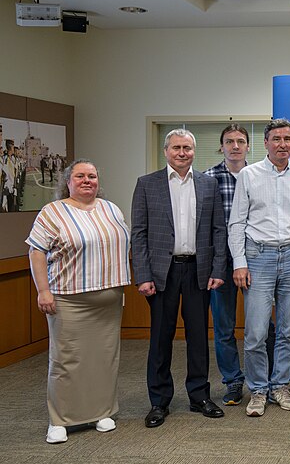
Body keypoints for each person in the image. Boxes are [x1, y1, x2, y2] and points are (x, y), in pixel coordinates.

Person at [27, 160, 130, 444]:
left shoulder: (111, 209)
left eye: (92, 176)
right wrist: (43, 291)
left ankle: (102, 412)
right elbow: (36, 252)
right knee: (66, 360)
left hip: (108, 298)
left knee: (104, 358)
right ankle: (59, 420)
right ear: (68, 182)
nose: (87, 181)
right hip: (68, 298)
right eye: (80, 176)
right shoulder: (53, 212)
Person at [132, 129, 227, 428]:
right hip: (163, 272)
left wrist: (217, 269)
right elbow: (139, 234)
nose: (182, 153)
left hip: (198, 269)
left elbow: (218, 231)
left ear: (194, 151)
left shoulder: (208, 184)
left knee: (198, 336)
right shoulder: (147, 184)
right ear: (166, 151)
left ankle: (199, 396)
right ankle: (159, 402)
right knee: (161, 337)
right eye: (176, 148)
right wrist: (142, 275)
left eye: (187, 148)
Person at [229, 118, 290, 417]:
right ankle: (257, 390)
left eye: (287, 139)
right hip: (259, 258)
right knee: (255, 332)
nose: (282, 144)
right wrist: (239, 262)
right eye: (276, 139)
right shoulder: (249, 175)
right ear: (266, 143)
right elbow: (237, 222)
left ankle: (279, 385)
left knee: (289, 331)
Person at [204, 123, 275, 407]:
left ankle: (264, 380)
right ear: (221, 146)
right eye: (229, 141)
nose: (235, 146)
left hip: (258, 258)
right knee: (224, 326)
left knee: (262, 325)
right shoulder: (208, 179)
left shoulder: (261, 176)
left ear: (248, 146)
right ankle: (233, 381)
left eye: (241, 141)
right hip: (221, 262)